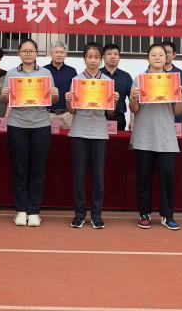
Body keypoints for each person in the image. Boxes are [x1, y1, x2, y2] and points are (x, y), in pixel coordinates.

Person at [129, 43, 182, 230]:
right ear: (148, 58)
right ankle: (144, 213)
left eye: (161, 55)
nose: (157, 58)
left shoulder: (173, 80)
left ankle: (167, 214)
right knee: (143, 178)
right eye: (153, 55)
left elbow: (177, 112)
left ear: (166, 58)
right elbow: (134, 109)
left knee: (167, 177)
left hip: (166, 137)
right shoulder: (139, 79)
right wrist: (133, 98)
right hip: (144, 136)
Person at [0, 38, 59, 227]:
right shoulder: (11, 74)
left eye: (31, 51)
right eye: (24, 51)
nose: (28, 54)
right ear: (19, 53)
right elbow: (4, 100)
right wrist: (5, 95)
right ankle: (21, 210)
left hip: (41, 125)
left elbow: (52, 100)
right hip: (17, 125)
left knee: (37, 170)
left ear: (36, 53)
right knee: (20, 169)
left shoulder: (45, 73)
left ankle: (34, 211)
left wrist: (55, 95)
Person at [65, 43, 119, 229]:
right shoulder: (76, 80)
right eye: (90, 57)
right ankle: (79, 214)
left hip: (99, 133)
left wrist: (114, 101)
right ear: (84, 59)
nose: (93, 60)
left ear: (101, 59)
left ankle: (96, 215)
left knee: (98, 176)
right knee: (79, 176)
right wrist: (68, 100)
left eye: (96, 57)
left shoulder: (107, 81)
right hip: (79, 131)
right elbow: (72, 110)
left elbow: (110, 113)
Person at [44, 41, 77, 129]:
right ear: (51, 54)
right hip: (47, 114)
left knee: (67, 138)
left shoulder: (72, 71)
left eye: (62, 52)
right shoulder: (44, 71)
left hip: (67, 115)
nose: (59, 54)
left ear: (66, 54)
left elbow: (75, 93)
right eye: (56, 52)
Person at [100, 43, 132, 131]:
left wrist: (133, 120)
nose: (113, 57)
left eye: (115, 54)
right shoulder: (97, 75)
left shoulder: (126, 76)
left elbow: (132, 99)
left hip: (119, 118)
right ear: (103, 57)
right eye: (109, 54)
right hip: (99, 118)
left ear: (119, 57)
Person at [162, 41, 182, 133]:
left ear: (174, 54)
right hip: (159, 117)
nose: (166, 55)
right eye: (164, 52)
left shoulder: (180, 74)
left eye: (168, 52)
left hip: (177, 117)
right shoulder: (152, 74)